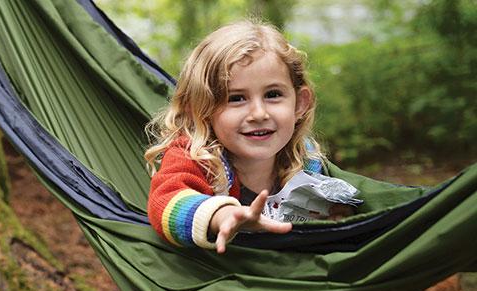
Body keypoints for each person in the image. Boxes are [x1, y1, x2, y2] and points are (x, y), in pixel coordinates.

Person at [145, 20, 351, 253]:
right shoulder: (193, 157)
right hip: (224, 276)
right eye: (236, 98)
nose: (259, 114)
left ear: (299, 104)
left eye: (273, 94)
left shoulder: (306, 159)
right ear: (200, 110)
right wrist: (221, 215)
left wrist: (336, 213)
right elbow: (165, 202)